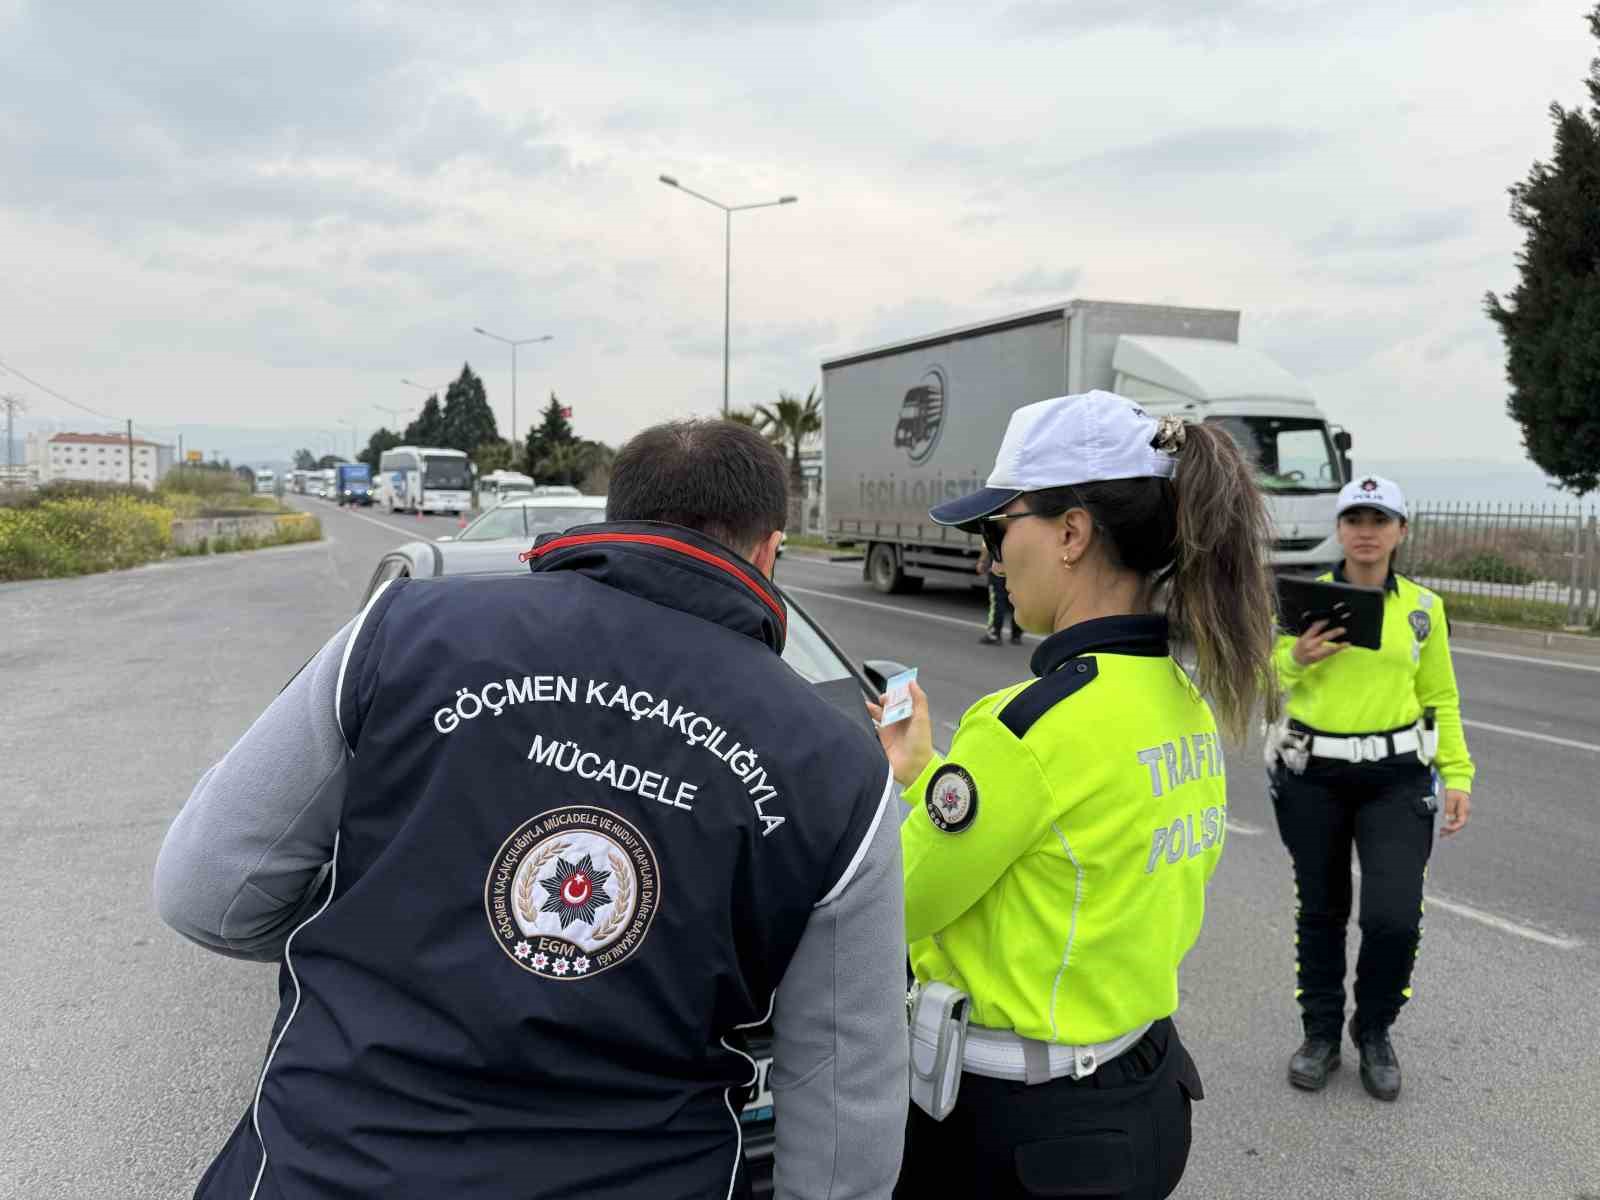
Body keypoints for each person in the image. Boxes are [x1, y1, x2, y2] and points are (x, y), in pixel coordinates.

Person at [155, 420, 908, 1199]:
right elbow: (846, 1118)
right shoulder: (840, 769)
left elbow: (207, 888)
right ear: (770, 551)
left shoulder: (403, 630)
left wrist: (374, 923)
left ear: (618, 515)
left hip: (327, 1169)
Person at [868, 390, 1278, 1200]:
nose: (990, 561)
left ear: (1071, 533)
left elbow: (898, 904)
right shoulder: (1182, 700)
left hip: (1027, 1131)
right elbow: (1060, 846)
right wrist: (926, 771)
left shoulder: (1026, 724)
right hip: (1144, 1090)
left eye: (997, 530)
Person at [1270, 474, 1473, 1102]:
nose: (1365, 531)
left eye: (1379, 520)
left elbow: (1440, 697)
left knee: (1394, 917)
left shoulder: (1423, 608)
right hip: (1314, 775)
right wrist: (1295, 658)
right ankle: (1321, 1035)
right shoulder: (1304, 599)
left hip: (1397, 776)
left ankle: (1376, 1027)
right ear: (1339, 529)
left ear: (1400, 531)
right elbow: (1261, 675)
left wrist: (1458, 774)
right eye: (1354, 519)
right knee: (1322, 909)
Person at [976, 545, 1022, 645]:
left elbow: (987, 545)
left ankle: (994, 634)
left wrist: (982, 561)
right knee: (1016, 601)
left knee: (997, 601)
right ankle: (1016, 635)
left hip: (999, 567)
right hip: (1018, 568)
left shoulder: (996, 533)